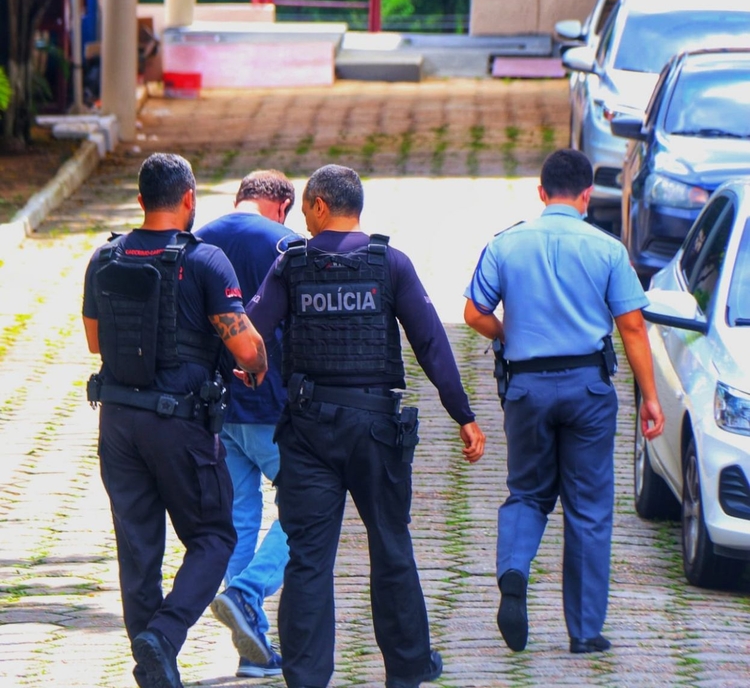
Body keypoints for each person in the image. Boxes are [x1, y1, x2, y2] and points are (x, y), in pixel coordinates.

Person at [246, 164, 486, 688]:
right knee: (391, 544)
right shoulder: (390, 264)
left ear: (318, 205)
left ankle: (306, 677)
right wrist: (462, 414)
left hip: (309, 430)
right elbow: (430, 343)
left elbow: (250, 329)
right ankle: (406, 668)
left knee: (308, 558)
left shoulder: (292, 267)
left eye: (307, 207)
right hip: (377, 428)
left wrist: (246, 366)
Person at [463, 148, 664, 655]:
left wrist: (507, 333)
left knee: (527, 492)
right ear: (587, 195)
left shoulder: (506, 244)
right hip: (588, 389)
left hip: (526, 388)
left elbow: (472, 313)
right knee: (590, 506)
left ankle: (513, 571)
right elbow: (633, 327)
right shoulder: (607, 249)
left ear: (540, 192)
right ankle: (584, 631)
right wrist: (650, 397)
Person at [81, 153, 268, 688]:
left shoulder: (105, 258)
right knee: (213, 536)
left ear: (140, 201)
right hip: (179, 425)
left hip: (117, 423)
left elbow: (95, 341)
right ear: (190, 198)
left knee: (138, 548)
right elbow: (244, 345)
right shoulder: (205, 261)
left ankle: (152, 668)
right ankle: (163, 637)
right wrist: (256, 359)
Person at [195, 170, 296, 679]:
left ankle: (250, 649)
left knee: (238, 519)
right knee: (307, 507)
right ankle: (248, 591)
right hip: (273, 405)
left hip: (216, 408)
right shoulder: (286, 243)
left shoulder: (200, 239)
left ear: (240, 197)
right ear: (281, 205)